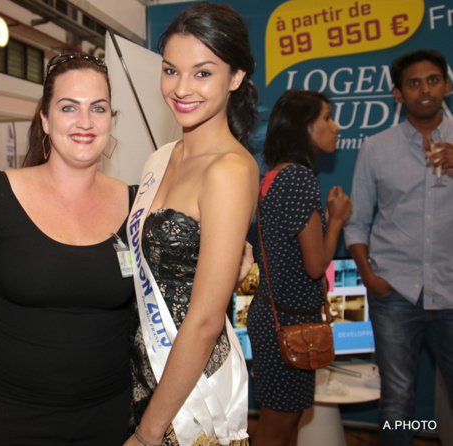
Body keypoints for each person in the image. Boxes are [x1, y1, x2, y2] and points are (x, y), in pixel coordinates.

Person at [0, 53, 138, 445]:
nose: (85, 122)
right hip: (5, 415)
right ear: (44, 119)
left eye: (98, 108)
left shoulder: (136, 203)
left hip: (108, 417)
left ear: (110, 119)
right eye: (68, 107)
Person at [125, 3, 260, 445]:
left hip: (192, 390)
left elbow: (204, 321)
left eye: (202, 73)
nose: (181, 88)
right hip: (142, 368)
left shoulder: (230, 170)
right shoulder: (161, 158)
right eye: (171, 70)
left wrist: (148, 434)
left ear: (235, 77)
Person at [345, 49, 453, 446]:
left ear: (447, 86)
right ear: (398, 94)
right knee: (396, 403)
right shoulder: (377, 147)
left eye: (433, 80)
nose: (424, 90)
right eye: (413, 83)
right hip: (395, 294)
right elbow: (357, 222)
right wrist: (370, 277)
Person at [246, 90, 352, 446]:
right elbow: (316, 265)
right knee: (275, 432)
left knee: (286, 426)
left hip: (280, 320)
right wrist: (336, 220)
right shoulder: (299, 179)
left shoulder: (276, 175)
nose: (336, 127)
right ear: (303, 127)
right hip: (290, 327)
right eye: (327, 118)